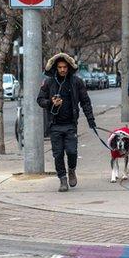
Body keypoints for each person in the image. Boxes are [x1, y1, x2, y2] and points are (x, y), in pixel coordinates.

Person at [36, 53, 96, 193]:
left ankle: (72, 170)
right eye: (59, 67)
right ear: (56, 68)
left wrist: (91, 120)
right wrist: (51, 102)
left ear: (69, 68)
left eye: (64, 67)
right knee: (57, 154)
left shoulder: (76, 82)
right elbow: (40, 100)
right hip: (55, 125)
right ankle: (62, 179)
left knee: (72, 151)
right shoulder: (49, 82)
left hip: (70, 124)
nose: (62, 69)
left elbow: (85, 102)